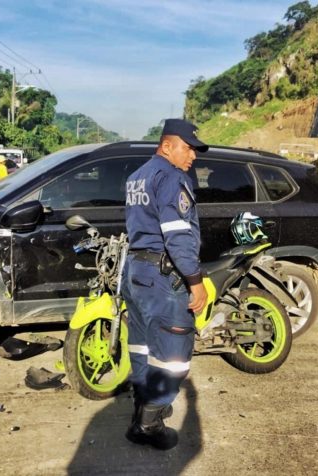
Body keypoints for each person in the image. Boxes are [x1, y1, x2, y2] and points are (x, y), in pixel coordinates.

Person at [121, 118, 209, 450]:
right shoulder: (172, 178)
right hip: (162, 276)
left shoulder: (136, 177)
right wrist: (195, 281)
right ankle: (148, 425)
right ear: (167, 145)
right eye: (188, 148)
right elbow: (178, 236)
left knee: (142, 345)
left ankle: (143, 406)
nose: (193, 156)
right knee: (174, 353)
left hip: (137, 272)